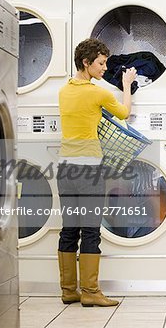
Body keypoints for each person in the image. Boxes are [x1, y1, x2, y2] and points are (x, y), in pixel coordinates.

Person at [56, 38, 137, 307]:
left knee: (69, 230)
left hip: (65, 169)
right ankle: (90, 292)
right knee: (90, 230)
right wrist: (126, 85)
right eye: (101, 63)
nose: (105, 68)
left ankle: (69, 290)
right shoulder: (98, 93)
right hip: (88, 170)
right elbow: (124, 113)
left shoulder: (64, 90)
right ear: (86, 63)